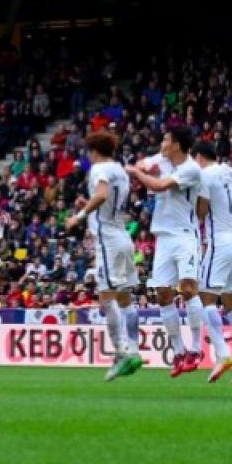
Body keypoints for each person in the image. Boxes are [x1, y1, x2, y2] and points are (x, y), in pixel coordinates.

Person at [126, 126, 206, 376]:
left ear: (177, 145)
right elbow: (146, 162)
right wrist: (143, 165)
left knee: (188, 289)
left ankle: (196, 348)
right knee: (162, 294)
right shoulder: (163, 159)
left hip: (185, 236)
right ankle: (179, 351)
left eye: (166, 139)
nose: (161, 143)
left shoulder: (191, 168)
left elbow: (160, 186)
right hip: (163, 236)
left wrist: (136, 172)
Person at [65, 130, 142, 381]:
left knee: (106, 298)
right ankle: (133, 348)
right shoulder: (119, 169)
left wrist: (80, 216)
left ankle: (122, 352)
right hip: (122, 235)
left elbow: (101, 195)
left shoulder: (99, 170)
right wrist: (87, 206)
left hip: (108, 238)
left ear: (94, 151)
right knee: (124, 298)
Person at [193, 141, 232, 385]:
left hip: (219, 242)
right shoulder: (230, 172)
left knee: (205, 297)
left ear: (198, 157)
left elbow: (202, 212)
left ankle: (223, 353)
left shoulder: (204, 174)